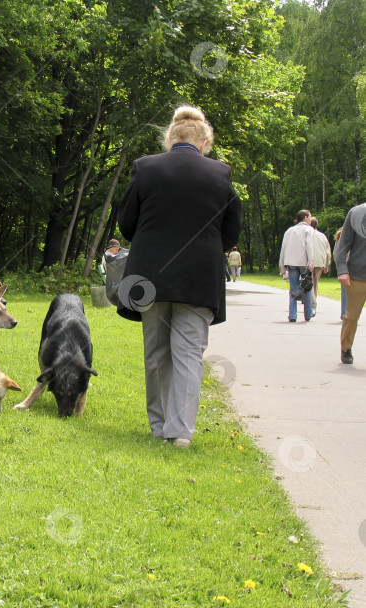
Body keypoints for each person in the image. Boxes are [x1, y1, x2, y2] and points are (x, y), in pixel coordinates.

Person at [117, 105, 241, 449]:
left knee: (156, 351)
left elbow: (126, 224)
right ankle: (180, 432)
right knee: (188, 353)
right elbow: (231, 233)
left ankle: (159, 427)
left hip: (149, 277)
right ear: (204, 140)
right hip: (199, 277)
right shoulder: (221, 174)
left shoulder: (145, 168)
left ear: (170, 137)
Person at [335, 204, 366, 364]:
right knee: (352, 316)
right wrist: (342, 270)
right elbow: (343, 244)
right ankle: (346, 348)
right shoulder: (356, 213)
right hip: (357, 275)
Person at [278, 210, 315, 322]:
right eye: (310, 217)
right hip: (304, 262)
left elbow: (283, 248)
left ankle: (293, 315)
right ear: (305, 217)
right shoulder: (309, 229)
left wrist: (282, 266)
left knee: (293, 287)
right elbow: (309, 246)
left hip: (291, 262)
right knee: (307, 287)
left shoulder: (289, 231)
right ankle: (308, 314)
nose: (311, 219)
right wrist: (311, 261)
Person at [309, 217, 331, 311]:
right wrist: (327, 264)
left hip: (309, 262)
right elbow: (328, 251)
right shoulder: (322, 236)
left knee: (309, 283)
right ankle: (313, 301)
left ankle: (312, 304)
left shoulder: (307, 235)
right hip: (320, 262)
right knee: (315, 283)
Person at [334, 226, 347, 320]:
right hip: (353, 267)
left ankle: (344, 313)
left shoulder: (341, 234)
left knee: (345, 292)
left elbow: (336, 253)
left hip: (345, 266)